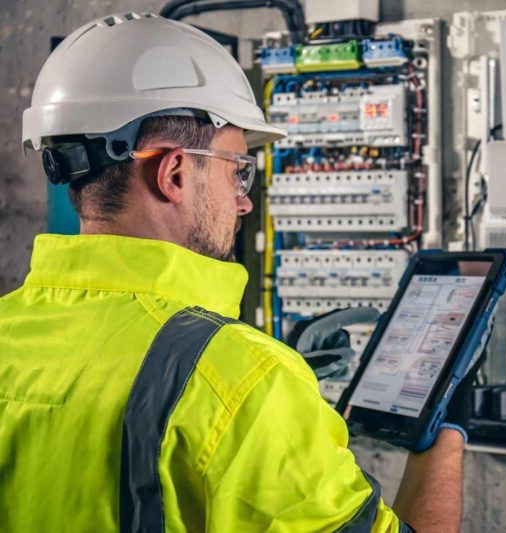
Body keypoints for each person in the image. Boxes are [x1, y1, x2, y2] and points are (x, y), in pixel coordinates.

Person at [0, 13, 467, 532]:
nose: (243, 203)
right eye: (236, 171)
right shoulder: (248, 381)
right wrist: (447, 421)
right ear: (174, 173)